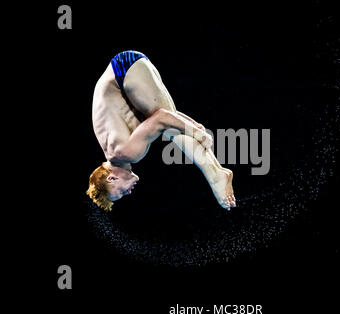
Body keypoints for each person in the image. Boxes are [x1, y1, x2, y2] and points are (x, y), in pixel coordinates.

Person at [87, 50, 236, 212]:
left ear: (111, 178)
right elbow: (160, 115)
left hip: (124, 71)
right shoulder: (114, 150)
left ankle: (214, 176)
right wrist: (193, 125)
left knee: (171, 129)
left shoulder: (126, 153)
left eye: (121, 192)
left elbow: (162, 117)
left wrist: (196, 132)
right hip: (122, 68)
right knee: (171, 128)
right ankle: (217, 171)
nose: (128, 192)